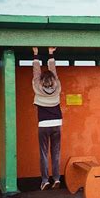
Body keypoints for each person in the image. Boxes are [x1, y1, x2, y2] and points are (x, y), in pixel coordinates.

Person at [32, 47, 62, 190]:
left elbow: (36, 72)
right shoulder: (58, 87)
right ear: (54, 80)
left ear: (41, 80)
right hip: (57, 123)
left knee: (44, 153)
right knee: (55, 153)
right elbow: (54, 71)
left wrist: (35, 54)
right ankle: (56, 178)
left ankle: (45, 180)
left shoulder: (37, 87)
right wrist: (51, 53)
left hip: (43, 124)